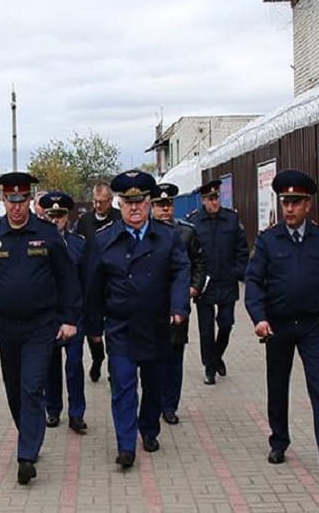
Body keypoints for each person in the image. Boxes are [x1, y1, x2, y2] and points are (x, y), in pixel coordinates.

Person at [0, 172, 81, 485]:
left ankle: (26, 456)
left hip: (41, 326)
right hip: (7, 328)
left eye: (22, 199)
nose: (16, 206)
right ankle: (30, 429)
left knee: (31, 386)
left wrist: (69, 319)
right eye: (11, 200)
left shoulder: (47, 234)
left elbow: (68, 278)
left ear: (31, 200)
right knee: (14, 388)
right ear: (3, 200)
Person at [245, 169, 319, 477]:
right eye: (285, 202)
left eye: (295, 202)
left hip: (311, 326)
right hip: (277, 326)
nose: (289, 208)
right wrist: (259, 318)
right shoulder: (267, 240)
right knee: (277, 386)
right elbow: (253, 282)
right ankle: (279, 441)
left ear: (308, 205)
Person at [83, 170, 190, 469]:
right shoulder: (104, 240)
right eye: (127, 202)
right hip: (120, 327)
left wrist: (179, 305)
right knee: (123, 386)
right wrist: (93, 326)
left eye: (140, 201)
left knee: (154, 385)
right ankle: (126, 445)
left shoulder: (167, 238)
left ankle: (149, 428)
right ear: (119, 204)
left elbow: (182, 271)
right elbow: (93, 285)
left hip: (157, 326)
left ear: (148, 202)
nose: (134, 208)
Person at [150, 183, 207, 425]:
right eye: (160, 205)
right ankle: (154, 401)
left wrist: (193, 288)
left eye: (168, 204)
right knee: (154, 357)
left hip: (177, 303)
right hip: (151, 305)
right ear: (151, 207)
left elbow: (199, 263)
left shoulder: (186, 232)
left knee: (174, 356)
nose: (165, 209)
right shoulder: (146, 232)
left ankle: (170, 405)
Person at [186, 179, 248, 385]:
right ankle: (209, 367)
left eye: (216, 198)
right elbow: (191, 254)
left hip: (227, 281)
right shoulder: (194, 222)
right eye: (210, 199)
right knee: (205, 329)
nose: (214, 202)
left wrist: (237, 272)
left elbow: (242, 249)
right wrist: (194, 280)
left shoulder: (231, 219)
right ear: (203, 200)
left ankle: (216, 355)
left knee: (226, 323)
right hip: (205, 284)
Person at [39, 191, 88, 434]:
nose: (55, 220)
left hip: (74, 314)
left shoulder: (78, 243)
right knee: (50, 365)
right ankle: (53, 409)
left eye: (59, 215)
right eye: (51, 215)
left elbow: (87, 279)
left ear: (67, 217)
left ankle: (77, 412)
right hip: (48, 314)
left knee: (75, 363)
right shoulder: (36, 244)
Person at [75, 182, 121, 382]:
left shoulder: (120, 219)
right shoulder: (84, 221)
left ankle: (113, 370)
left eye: (102, 202)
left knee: (114, 332)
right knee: (93, 333)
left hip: (113, 285)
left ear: (110, 200)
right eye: (95, 201)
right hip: (91, 284)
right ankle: (98, 357)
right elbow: (77, 249)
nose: (98, 206)